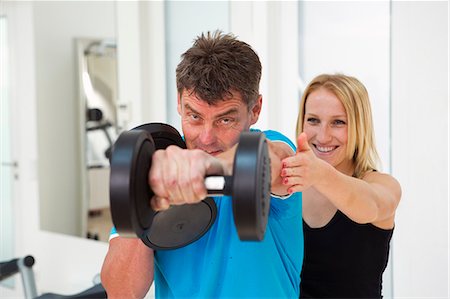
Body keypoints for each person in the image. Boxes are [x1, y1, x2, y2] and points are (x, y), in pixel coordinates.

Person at [101, 31, 303, 298]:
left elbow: (272, 160)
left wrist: (199, 168)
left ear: (255, 110)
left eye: (225, 120)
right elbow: (121, 292)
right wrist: (146, 196)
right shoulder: (157, 167)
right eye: (194, 116)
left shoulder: (271, 146)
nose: (206, 138)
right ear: (179, 103)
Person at [281, 74, 402, 298]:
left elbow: (370, 207)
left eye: (338, 122)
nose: (323, 136)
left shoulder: (383, 185)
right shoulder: (284, 187)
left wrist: (320, 174)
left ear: (359, 126)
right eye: (313, 120)